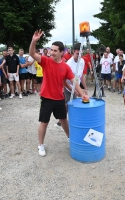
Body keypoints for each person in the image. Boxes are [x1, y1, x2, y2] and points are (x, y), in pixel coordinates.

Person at [29, 29, 89, 157]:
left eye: (55, 50)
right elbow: (32, 53)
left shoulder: (66, 67)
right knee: (44, 122)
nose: (52, 52)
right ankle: (41, 145)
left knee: (63, 120)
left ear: (62, 52)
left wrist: (82, 93)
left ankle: (70, 139)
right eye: (51, 50)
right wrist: (34, 41)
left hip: (59, 98)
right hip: (46, 98)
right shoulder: (46, 61)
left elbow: (74, 81)